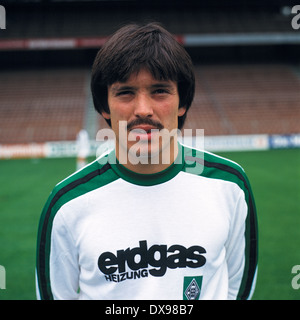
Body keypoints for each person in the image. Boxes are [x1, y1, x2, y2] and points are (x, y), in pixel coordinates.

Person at [36, 22, 258, 300]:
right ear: (104, 106)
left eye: (160, 91)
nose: (143, 110)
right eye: (125, 92)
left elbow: (238, 288)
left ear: (182, 102)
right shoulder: (66, 204)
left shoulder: (229, 185)